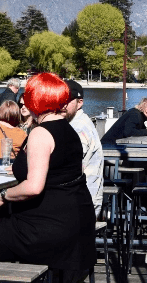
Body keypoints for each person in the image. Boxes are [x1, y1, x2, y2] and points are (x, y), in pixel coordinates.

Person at [0, 73, 95, 282]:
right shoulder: (70, 130)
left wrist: (3, 195)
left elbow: (33, 187)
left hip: (51, 229)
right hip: (78, 223)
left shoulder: (41, 133)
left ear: (34, 100)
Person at [64, 79, 104, 217]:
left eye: (66, 100)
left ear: (79, 102)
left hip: (82, 205)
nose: (61, 104)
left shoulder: (78, 128)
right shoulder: (78, 122)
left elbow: (69, 169)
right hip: (83, 199)